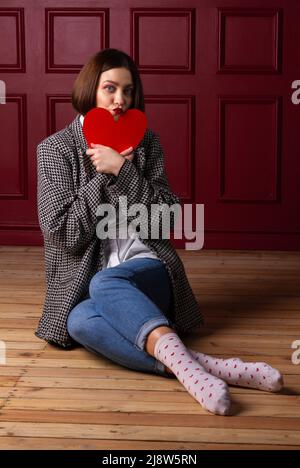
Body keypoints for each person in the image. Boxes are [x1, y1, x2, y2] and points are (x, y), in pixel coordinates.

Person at [36, 48, 283, 416]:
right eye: (110, 88)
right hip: (88, 280)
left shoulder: (147, 143)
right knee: (78, 321)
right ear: (91, 90)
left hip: (147, 270)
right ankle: (203, 367)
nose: (120, 100)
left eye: (129, 90)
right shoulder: (55, 150)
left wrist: (124, 170)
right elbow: (65, 234)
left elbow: (165, 220)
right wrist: (102, 177)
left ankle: (186, 367)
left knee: (106, 286)